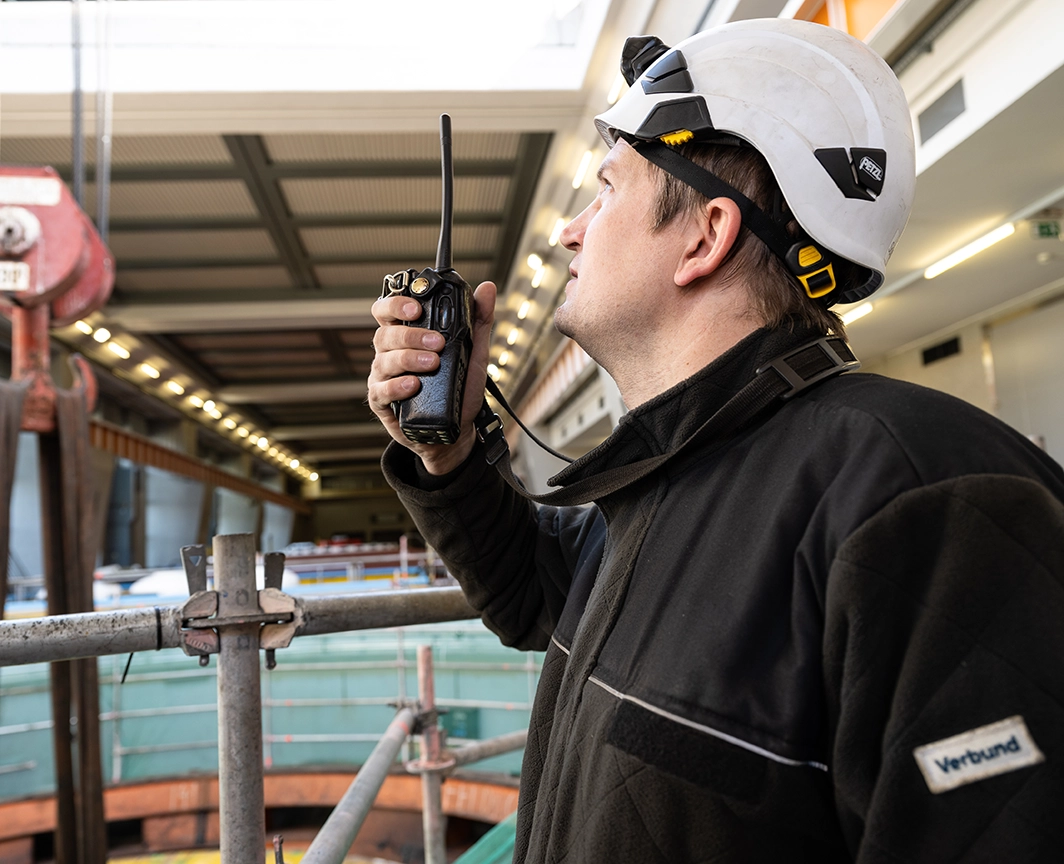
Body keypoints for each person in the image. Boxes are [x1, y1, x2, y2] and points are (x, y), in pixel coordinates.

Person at [368, 18, 1064, 863]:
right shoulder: (671, 475)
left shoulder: (931, 501)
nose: (568, 230)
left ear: (707, 237)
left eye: (608, 189)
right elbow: (531, 595)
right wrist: (448, 453)